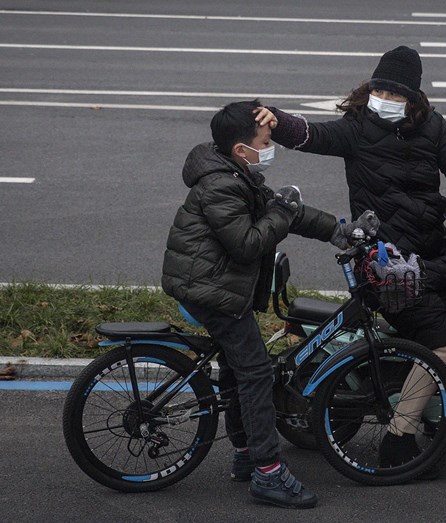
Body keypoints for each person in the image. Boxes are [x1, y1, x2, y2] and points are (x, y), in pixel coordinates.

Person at [254, 46, 446, 471]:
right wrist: (275, 117)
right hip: (387, 264)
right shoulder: (356, 129)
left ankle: (424, 409)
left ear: (413, 99)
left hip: (434, 254)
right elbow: (310, 134)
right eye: (378, 88)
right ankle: (399, 439)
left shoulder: (434, 127)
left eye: (395, 92)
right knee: (444, 341)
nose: (384, 96)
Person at [161, 99, 379, 508]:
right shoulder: (222, 184)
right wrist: (281, 208)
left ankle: (244, 455)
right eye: (265, 139)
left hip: (212, 281)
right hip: (212, 290)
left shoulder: (232, 170)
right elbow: (248, 244)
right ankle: (268, 473)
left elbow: (286, 214)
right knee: (256, 374)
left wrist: (340, 230)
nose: (270, 144)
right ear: (242, 149)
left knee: (237, 365)